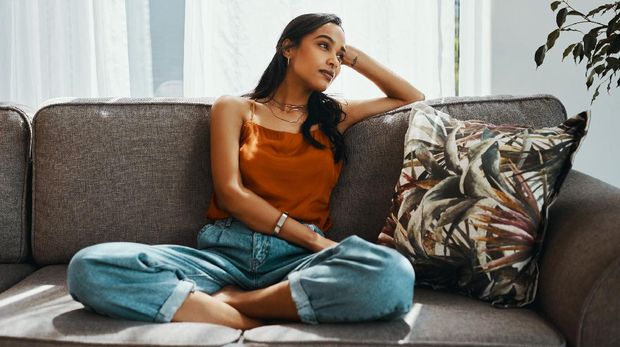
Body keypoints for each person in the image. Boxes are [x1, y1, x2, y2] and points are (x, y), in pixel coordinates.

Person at [66, 13, 425, 329]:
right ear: (287, 47)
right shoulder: (235, 109)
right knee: (89, 266)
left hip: (298, 264)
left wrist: (354, 58)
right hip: (224, 256)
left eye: (339, 55)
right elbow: (231, 195)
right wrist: (316, 240)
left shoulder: (335, 117)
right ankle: (264, 312)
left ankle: (236, 305)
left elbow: (412, 97)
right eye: (323, 46)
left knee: (392, 275)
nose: (333, 61)